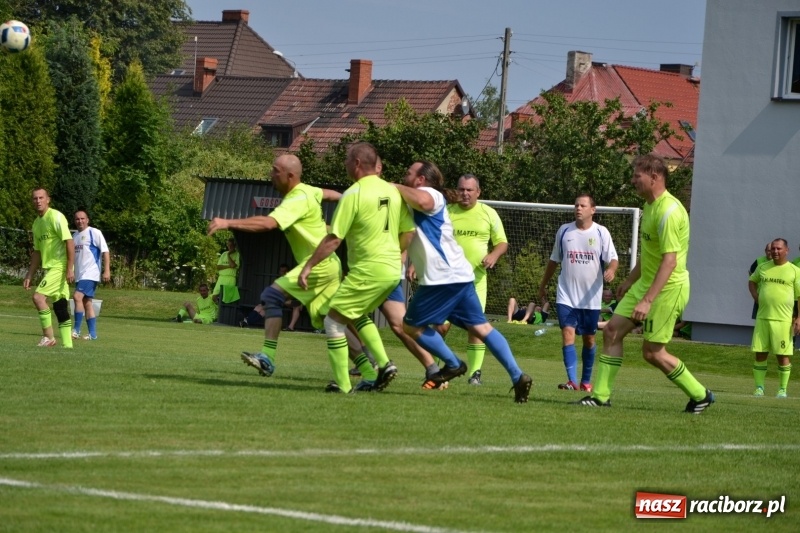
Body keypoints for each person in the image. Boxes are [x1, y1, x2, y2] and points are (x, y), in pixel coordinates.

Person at [575, 154, 715, 413]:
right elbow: (651, 254)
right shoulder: (651, 207)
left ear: (654, 176)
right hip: (646, 283)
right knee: (611, 331)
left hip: (668, 288)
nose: (632, 181)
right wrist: (630, 280)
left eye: (637, 176)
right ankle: (600, 396)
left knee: (652, 352)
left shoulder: (670, 212)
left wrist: (648, 299)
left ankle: (700, 395)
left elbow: (669, 262)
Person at [395, 160, 533, 403]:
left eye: (408, 172)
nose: (404, 176)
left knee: (411, 326)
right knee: (482, 328)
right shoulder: (436, 204)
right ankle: (517, 375)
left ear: (421, 179)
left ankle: (452, 363)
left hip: (442, 279)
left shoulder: (429, 194)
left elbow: (424, 202)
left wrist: (387, 186)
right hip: (460, 276)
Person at [208, 154, 349, 386]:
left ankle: (268, 356)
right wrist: (350, 198)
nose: (271, 174)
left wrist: (228, 223)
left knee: (271, 296)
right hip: (328, 264)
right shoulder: (308, 190)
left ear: (290, 176)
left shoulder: (296, 199)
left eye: (275, 170)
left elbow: (268, 223)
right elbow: (330, 194)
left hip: (318, 264)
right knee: (333, 320)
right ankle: (370, 366)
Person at [299, 142, 416, 394]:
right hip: (390, 270)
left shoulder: (354, 194)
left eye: (346, 161)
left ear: (357, 164)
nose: (344, 165)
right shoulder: (394, 191)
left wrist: (308, 266)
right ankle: (381, 366)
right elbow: (409, 231)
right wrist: (395, 253)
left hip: (368, 269)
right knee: (355, 313)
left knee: (332, 322)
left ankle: (344, 385)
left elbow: (334, 239)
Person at [538, 194, 619, 392]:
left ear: (593, 209)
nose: (578, 208)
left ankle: (585, 382)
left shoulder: (601, 232)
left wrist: (612, 270)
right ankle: (572, 381)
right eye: (576, 205)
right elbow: (554, 260)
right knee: (567, 333)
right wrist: (543, 284)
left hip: (590, 298)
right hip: (566, 294)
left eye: (583, 205)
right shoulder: (564, 231)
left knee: (589, 339)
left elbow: (613, 259)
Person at [433, 174, 508, 386]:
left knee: (476, 327)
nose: (465, 194)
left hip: (476, 282)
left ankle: (474, 374)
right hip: (447, 281)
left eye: (469, 190)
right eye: (461, 189)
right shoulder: (447, 212)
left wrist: (493, 255)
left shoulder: (488, 213)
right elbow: (434, 240)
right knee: (440, 326)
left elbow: (502, 242)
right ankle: (441, 370)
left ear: (478, 192)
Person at [748, 238, 800, 398]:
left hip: (783, 321)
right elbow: (752, 281)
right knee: (760, 353)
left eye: (778, 249)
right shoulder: (763, 267)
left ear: (787, 250)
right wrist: (756, 297)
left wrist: (798, 318)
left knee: (783, 355)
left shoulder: (794, 270)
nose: (775, 252)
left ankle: (782, 390)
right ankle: (759, 388)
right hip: (763, 318)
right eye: (773, 249)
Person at [23, 188, 75, 348]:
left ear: (48, 199)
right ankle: (68, 347)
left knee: (38, 298)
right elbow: (37, 252)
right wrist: (29, 275)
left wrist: (69, 268)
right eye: (35, 198)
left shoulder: (56, 217)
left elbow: (69, 241)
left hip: (59, 267)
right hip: (50, 269)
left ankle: (48, 337)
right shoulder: (37, 223)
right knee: (60, 306)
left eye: (41, 198)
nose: (38, 201)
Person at [71, 210, 110, 340]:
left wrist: (107, 270)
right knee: (87, 302)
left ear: (88, 220)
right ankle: (93, 334)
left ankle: (76, 330)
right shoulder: (74, 236)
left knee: (77, 296)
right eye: (77, 219)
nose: (80, 221)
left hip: (91, 273)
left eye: (82, 218)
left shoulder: (94, 232)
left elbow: (105, 251)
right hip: (80, 274)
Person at [211, 238, 240, 305]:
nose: (229, 247)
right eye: (228, 245)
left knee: (228, 299)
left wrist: (228, 255)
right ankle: (219, 308)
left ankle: (224, 311)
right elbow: (218, 267)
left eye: (231, 245)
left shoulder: (237, 254)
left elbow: (233, 265)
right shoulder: (224, 254)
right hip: (221, 277)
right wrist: (228, 266)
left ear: (234, 245)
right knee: (214, 296)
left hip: (231, 278)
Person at [749, 243, 773, 319]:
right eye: (768, 250)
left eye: (772, 250)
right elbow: (751, 275)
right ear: (765, 251)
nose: (770, 252)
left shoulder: (780, 263)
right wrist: (755, 295)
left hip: (774, 297)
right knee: (759, 320)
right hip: (760, 296)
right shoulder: (759, 261)